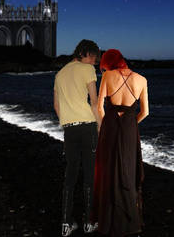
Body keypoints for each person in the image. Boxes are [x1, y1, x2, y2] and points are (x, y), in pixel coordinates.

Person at [92, 49, 149, 236]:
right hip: (130, 130)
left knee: (108, 171)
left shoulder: (107, 76)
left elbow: (99, 107)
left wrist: (105, 126)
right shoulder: (142, 80)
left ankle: (108, 219)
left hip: (110, 128)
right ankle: (129, 220)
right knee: (128, 170)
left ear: (109, 62)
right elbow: (145, 112)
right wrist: (130, 124)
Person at [54, 39, 101, 236]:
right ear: (85, 54)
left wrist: (68, 121)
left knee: (70, 175)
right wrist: (101, 127)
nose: (95, 63)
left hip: (69, 128)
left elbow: (57, 107)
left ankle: (66, 224)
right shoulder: (87, 69)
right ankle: (89, 223)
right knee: (90, 175)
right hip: (87, 126)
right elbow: (94, 102)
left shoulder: (60, 73)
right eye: (94, 58)